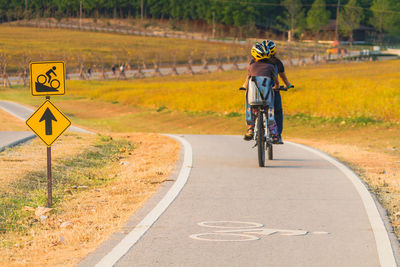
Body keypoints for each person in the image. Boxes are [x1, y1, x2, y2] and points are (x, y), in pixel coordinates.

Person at [242, 43, 280, 141]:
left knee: (251, 107)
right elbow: (276, 80)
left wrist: (244, 87)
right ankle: (274, 135)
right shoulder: (271, 67)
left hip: (254, 97)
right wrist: (277, 86)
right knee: (269, 111)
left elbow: (248, 79)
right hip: (266, 98)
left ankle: (250, 129)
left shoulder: (251, 66)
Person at [261, 40, 293, 144]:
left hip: (258, 92)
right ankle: (277, 135)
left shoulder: (255, 61)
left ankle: (253, 127)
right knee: (277, 111)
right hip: (273, 91)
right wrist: (287, 85)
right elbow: (283, 77)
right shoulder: (276, 62)